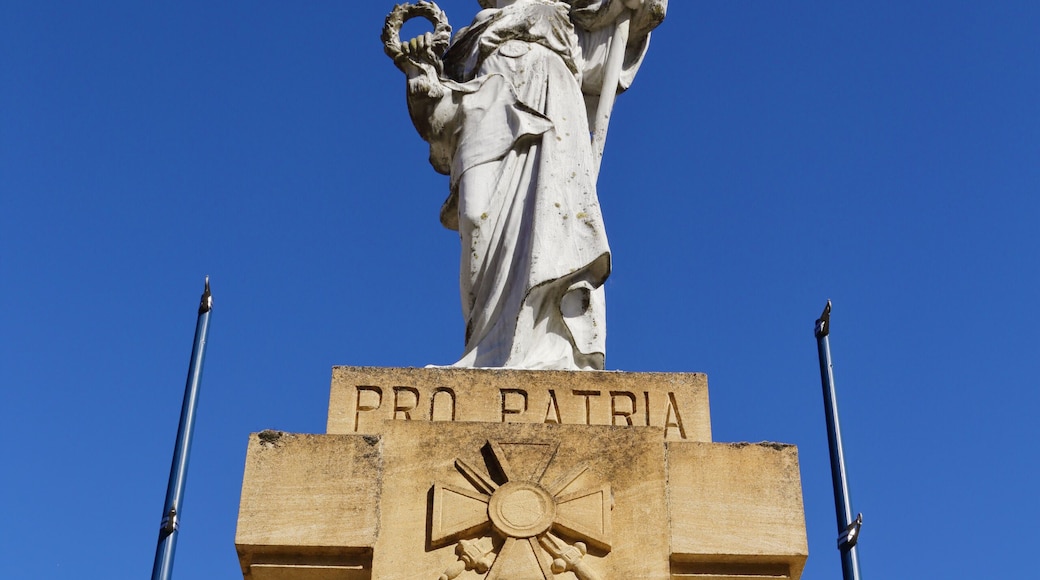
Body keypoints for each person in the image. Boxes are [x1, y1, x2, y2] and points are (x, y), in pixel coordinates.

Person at [395, 0, 666, 369]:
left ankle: (554, 349)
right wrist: (420, 73)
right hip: (486, 112)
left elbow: (613, 51)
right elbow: (440, 119)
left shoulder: (565, 20)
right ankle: (486, 349)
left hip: (554, 107)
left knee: (552, 225)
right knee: (476, 218)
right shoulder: (467, 40)